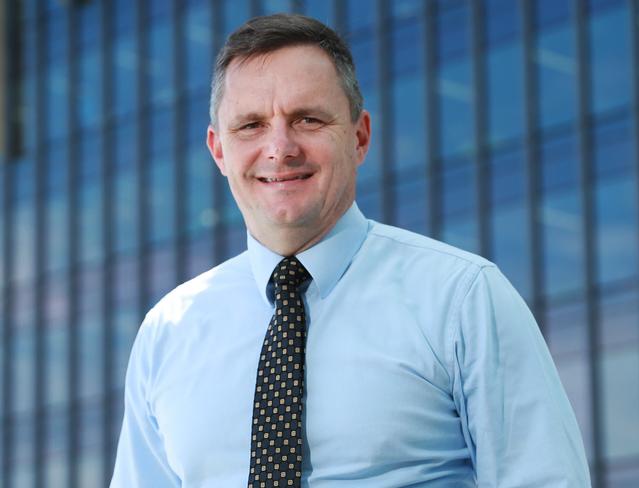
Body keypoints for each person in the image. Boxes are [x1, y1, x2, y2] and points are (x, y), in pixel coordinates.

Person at [111, 13, 591, 488]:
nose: (280, 148)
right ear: (219, 151)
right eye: (251, 126)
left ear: (359, 136)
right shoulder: (168, 331)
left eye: (307, 119)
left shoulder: (461, 298)